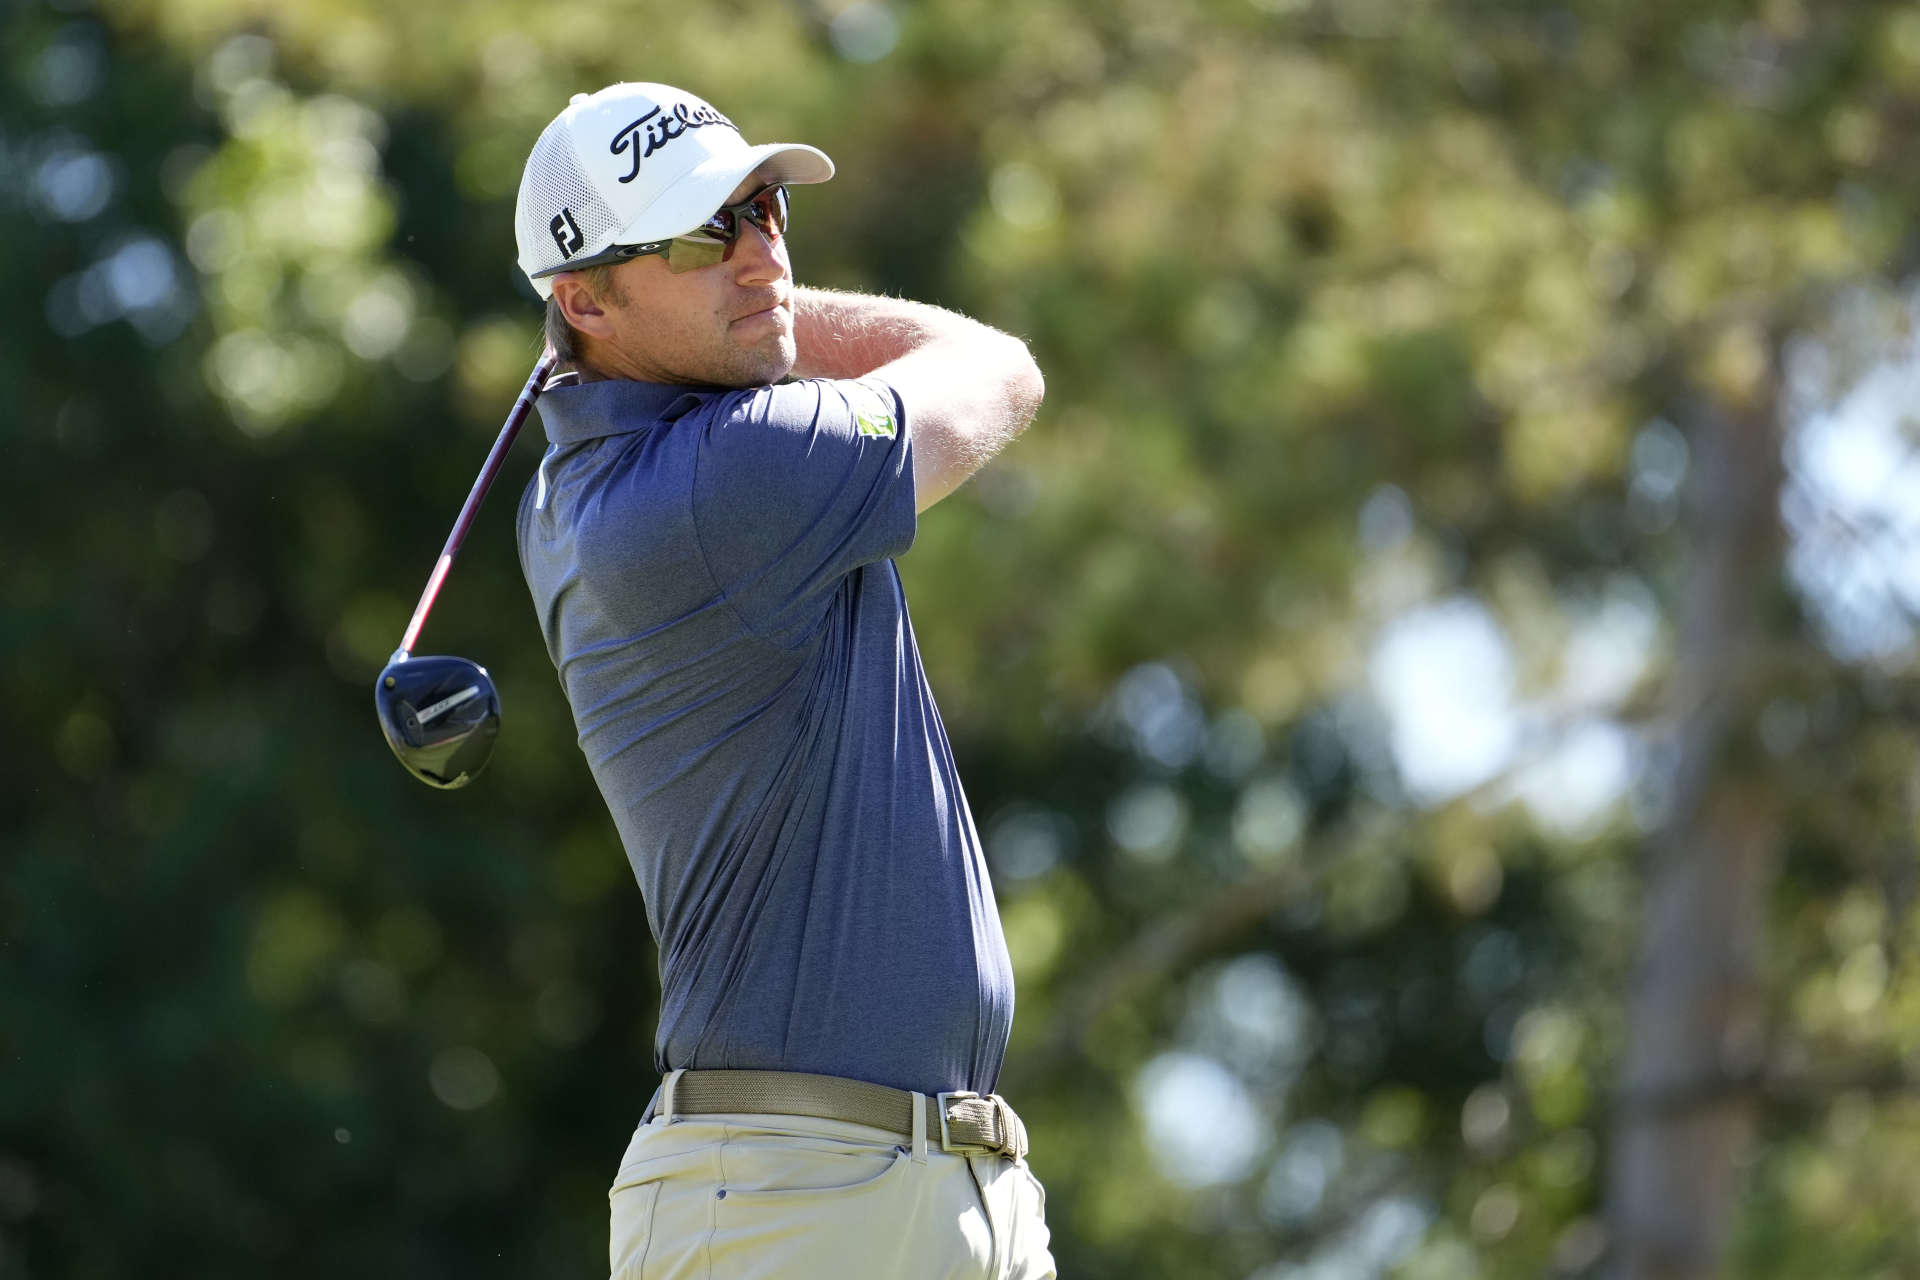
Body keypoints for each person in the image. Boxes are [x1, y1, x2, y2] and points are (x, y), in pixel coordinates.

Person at [511, 82, 1053, 1279]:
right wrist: (778, 309)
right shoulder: (726, 479)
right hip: (796, 1204)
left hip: (929, 1185)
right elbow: (994, 367)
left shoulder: (582, 489)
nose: (761, 256)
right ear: (584, 296)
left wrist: (737, 295)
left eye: (765, 212)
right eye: (707, 234)